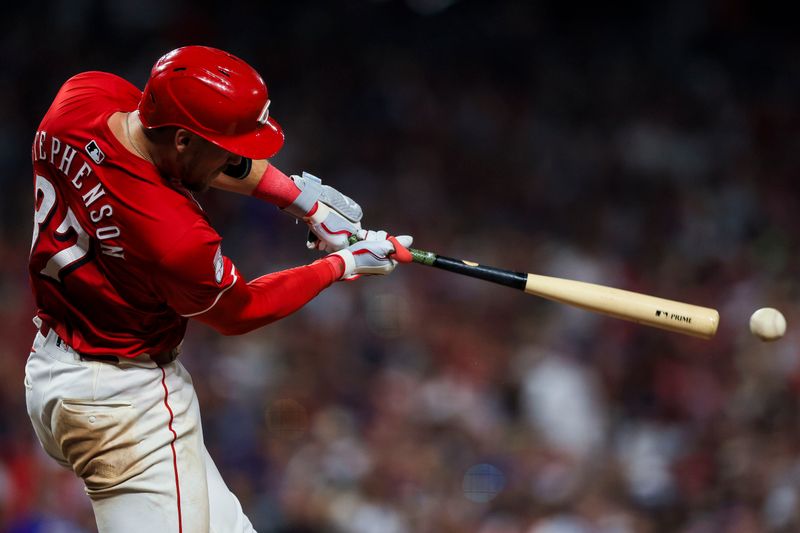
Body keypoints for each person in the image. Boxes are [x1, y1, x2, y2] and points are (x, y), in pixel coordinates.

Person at [24, 45, 412, 532]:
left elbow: (154, 141)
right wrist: (342, 264)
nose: (236, 158)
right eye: (227, 147)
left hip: (54, 367)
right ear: (185, 140)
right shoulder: (174, 236)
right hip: (123, 405)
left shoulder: (79, 100)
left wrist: (302, 201)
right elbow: (241, 312)